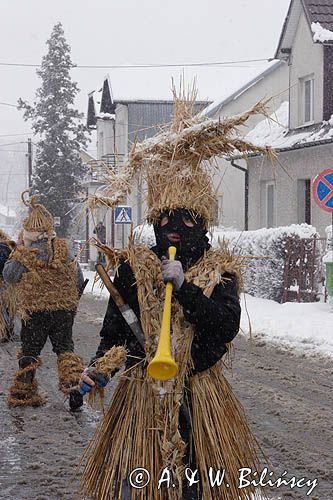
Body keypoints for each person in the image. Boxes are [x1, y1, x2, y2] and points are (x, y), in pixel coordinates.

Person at [79, 91, 270, 499]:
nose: (172, 226)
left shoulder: (218, 267)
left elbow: (225, 326)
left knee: (197, 486)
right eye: (163, 218)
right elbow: (117, 331)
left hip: (200, 400)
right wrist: (101, 367)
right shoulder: (135, 266)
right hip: (142, 400)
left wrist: (185, 288)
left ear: (199, 221)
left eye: (184, 218)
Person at [4, 191, 85, 411]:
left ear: (29, 231)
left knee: (30, 351)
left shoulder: (26, 252)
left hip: (36, 312)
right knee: (65, 350)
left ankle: (23, 393)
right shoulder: (64, 249)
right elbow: (78, 278)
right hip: (63, 311)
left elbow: (9, 276)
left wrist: (19, 251)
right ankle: (74, 390)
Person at [0, 229, 15, 343]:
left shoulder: (2, 248)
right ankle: (7, 331)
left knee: (3, 308)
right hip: (7, 284)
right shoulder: (8, 247)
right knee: (7, 309)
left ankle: (5, 332)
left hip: (3, 283)